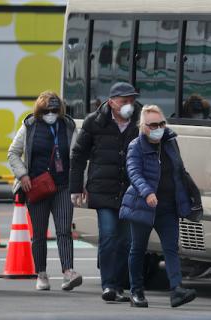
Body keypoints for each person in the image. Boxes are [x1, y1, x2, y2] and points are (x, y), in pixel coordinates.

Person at [120, 105, 197, 308]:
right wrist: (147, 192)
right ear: (143, 126)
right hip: (143, 205)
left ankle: (176, 290)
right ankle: (136, 292)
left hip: (168, 207)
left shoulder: (171, 142)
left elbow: (179, 170)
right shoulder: (135, 146)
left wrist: (187, 196)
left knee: (171, 248)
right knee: (138, 249)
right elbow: (134, 172)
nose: (159, 128)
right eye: (153, 125)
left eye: (161, 123)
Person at [70, 82, 140, 302]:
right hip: (102, 188)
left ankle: (118, 286)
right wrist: (75, 187)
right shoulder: (95, 122)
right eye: (124, 101)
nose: (129, 105)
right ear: (111, 102)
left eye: (131, 100)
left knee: (126, 241)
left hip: (130, 190)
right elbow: (78, 155)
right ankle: (109, 285)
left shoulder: (141, 121)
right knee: (109, 235)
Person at [8, 91, 82, 291]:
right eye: (47, 110)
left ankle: (68, 272)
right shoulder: (30, 126)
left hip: (63, 186)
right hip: (36, 186)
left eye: (55, 110)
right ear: (39, 111)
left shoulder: (68, 125)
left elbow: (76, 156)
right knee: (39, 234)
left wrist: (78, 185)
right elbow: (13, 152)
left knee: (64, 230)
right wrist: (23, 175)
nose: (51, 113)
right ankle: (41, 274)